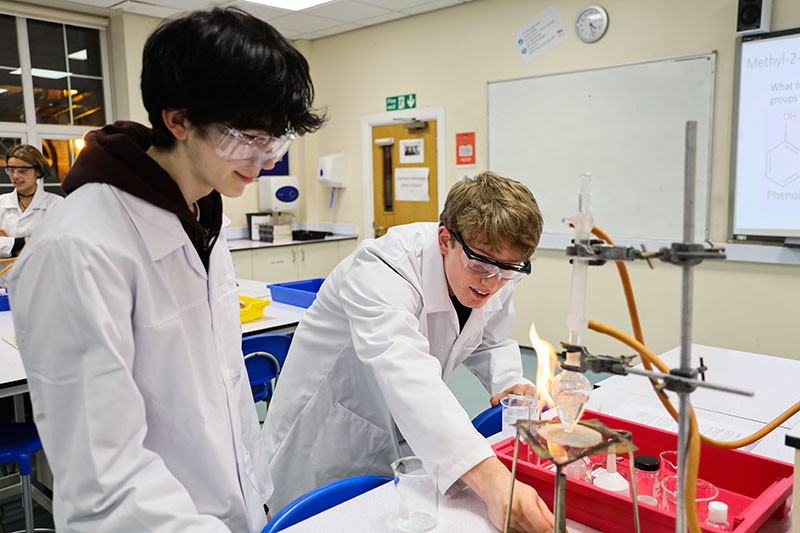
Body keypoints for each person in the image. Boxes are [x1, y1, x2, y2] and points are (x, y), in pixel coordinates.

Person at [8, 8, 323, 532]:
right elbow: (104, 479)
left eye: (276, 140)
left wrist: (257, 492)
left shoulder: (201, 217)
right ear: (177, 120)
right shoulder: (79, 247)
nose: (264, 160)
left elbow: (225, 386)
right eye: (247, 138)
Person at [263, 171, 555, 533]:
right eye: (481, 265)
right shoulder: (382, 266)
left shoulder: (491, 270)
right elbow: (407, 371)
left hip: (403, 435)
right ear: (445, 239)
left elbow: (489, 338)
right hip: (330, 430)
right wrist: (494, 482)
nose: (492, 283)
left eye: (509, 270)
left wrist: (508, 379)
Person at [0, 144, 62, 258]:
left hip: (41, 274)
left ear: (38, 171)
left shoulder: (56, 204)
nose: (15, 176)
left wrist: (7, 243)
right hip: (5, 274)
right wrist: (22, 243)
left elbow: (56, 244)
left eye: (23, 171)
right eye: (11, 169)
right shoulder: (1, 203)